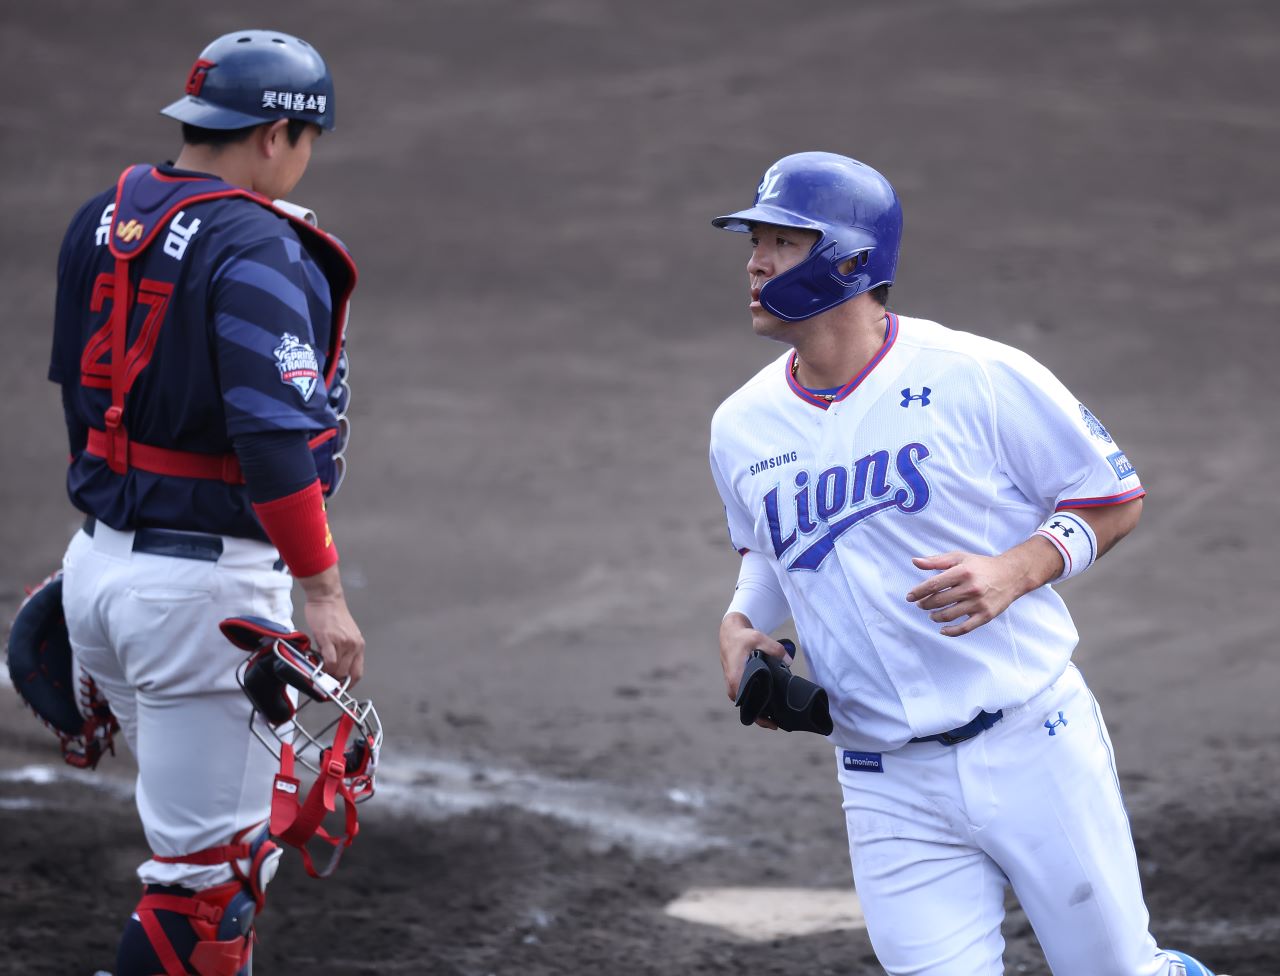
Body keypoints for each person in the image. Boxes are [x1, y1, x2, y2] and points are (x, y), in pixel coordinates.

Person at [708, 152, 1215, 976]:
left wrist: (1019, 567)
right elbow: (767, 553)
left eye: (782, 242)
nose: (755, 263)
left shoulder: (976, 376)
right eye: (754, 242)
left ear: (848, 260)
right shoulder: (742, 426)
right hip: (882, 778)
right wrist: (741, 621)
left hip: (1033, 744)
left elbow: (1111, 497)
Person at [49, 30, 363, 975]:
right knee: (210, 887)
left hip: (100, 571)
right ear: (275, 135)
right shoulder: (253, 240)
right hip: (200, 601)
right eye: (307, 141)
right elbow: (270, 440)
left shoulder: (102, 218)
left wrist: (109, 560)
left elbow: (82, 402)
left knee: (206, 864)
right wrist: (322, 590)